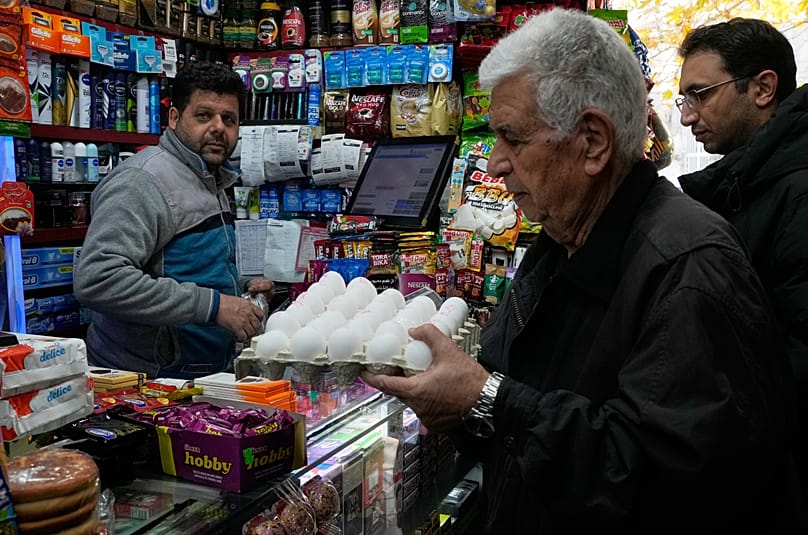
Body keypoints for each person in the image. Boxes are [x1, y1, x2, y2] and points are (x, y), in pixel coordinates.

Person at [362, 9, 801, 533]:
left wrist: (487, 399)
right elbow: (527, 404)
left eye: (513, 138)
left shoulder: (688, 267)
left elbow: (662, 481)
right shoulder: (559, 240)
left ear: (592, 142)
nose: (496, 163)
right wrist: (464, 412)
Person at [676, 18, 808, 502]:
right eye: (684, 100)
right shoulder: (747, 183)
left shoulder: (796, 191)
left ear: (763, 88)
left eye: (701, 94)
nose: (688, 116)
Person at [74, 61, 273, 379]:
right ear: (175, 118)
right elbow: (99, 279)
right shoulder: (141, 181)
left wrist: (238, 288)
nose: (218, 128)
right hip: (141, 384)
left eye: (229, 119)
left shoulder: (209, 177)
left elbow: (179, 268)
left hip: (192, 380)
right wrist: (215, 305)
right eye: (204, 115)